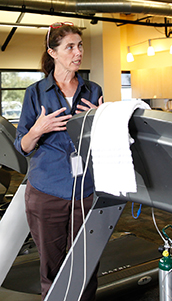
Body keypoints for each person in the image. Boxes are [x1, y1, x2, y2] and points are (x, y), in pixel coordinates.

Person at [14, 22, 103, 300]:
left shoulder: (93, 89)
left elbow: (103, 142)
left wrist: (102, 119)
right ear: (53, 52)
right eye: (70, 47)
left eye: (80, 46)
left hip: (86, 191)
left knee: (87, 264)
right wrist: (37, 129)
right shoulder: (35, 93)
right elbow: (23, 146)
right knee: (51, 268)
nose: (78, 52)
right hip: (47, 192)